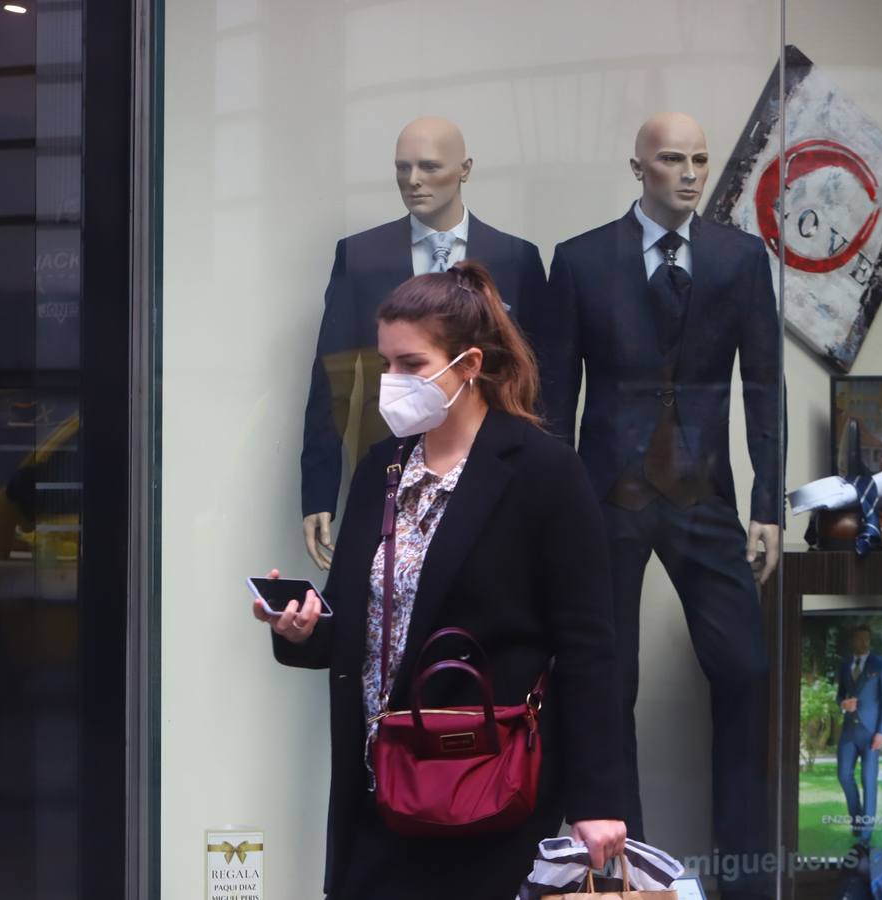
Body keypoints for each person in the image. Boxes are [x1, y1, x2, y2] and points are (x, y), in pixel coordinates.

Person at [258, 261, 625, 900]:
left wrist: (597, 799)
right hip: (379, 782)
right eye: (385, 363)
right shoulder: (380, 470)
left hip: (487, 782)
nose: (391, 382)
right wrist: (301, 628)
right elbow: (359, 622)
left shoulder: (543, 473)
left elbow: (590, 647)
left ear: (469, 366)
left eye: (411, 364)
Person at [528, 112, 782, 900]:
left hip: (703, 491)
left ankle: (742, 870)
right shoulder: (578, 260)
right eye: (672, 159)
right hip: (605, 492)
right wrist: (552, 508)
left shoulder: (740, 259)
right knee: (607, 681)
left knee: (745, 667)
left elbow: (764, 386)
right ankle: (622, 871)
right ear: (637, 167)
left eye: (700, 160)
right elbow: (553, 397)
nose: (690, 173)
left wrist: (769, 503)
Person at [300, 117, 548, 572]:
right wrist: (319, 490)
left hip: (489, 461)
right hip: (388, 461)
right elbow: (330, 379)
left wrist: (542, 480)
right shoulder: (360, 256)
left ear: (465, 169)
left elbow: (536, 379)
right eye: (403, 168)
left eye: (429, 167)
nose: (413, 181)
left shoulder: (517, 258)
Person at [836, 624, 882, 842]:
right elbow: (839, 696)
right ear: (853, 640)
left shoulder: (881, 664)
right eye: (859, 639)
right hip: (849, 731)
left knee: (868, 780)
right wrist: (843, 704)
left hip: (872, 733)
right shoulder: (844, 665)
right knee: (843, 775)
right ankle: (858, 820)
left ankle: (866, 832)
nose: (863, 643)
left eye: (867, 640)